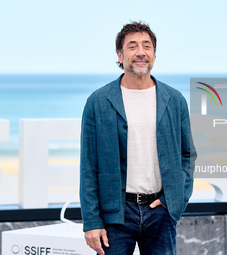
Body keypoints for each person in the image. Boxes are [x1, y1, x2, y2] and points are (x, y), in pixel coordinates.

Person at [79, 21, 196, 255]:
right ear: (120, 55)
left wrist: (175, 199)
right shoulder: (98, 102)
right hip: (116, 214)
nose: (141, 52)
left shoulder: (174, 100)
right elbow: (88, 165)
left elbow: (187, 155)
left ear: (154, 54)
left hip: (160, 212)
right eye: (132, 46)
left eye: (147, 46)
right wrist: (92, 221)